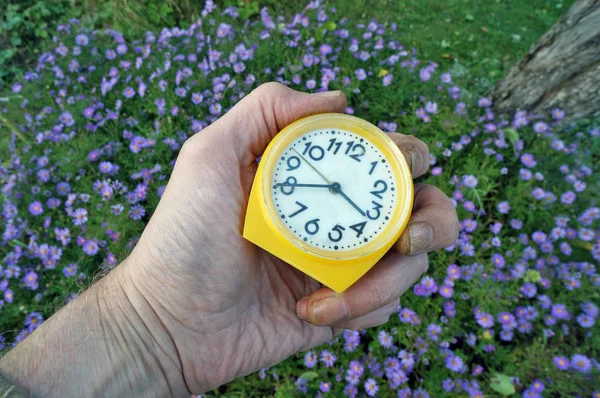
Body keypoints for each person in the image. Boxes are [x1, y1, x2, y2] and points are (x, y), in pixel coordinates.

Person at [0, 83, 458, 396]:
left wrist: (149, 334)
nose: (335, 189)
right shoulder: (239, 209)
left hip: (310, 265)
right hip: (271, 242)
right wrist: (149, 322)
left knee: (406, 201)